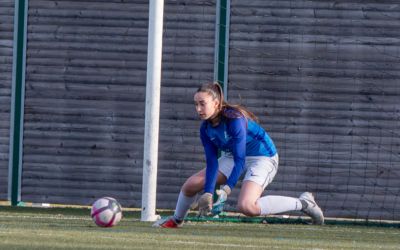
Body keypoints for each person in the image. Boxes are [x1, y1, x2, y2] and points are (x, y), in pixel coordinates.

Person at [153, 82, 324, 228]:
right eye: (196, 104)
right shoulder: (205, 128)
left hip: (262, 157)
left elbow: (240, 160)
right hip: (232, 156)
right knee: (191, 185)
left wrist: (227, 189)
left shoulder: (235, 119)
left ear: (216, 102)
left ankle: (304, 203)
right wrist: (207, 192)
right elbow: (212, 162)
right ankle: (176, 221)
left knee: (247, 207)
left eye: (202, 104)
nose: (198, 109)